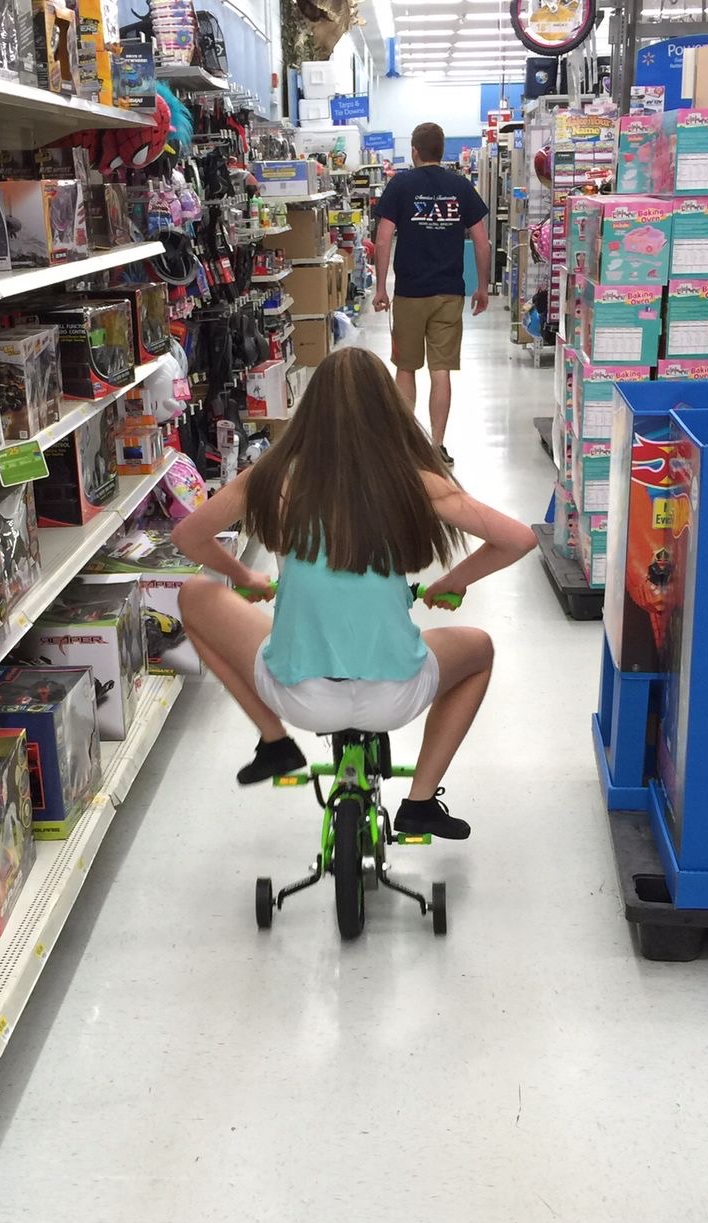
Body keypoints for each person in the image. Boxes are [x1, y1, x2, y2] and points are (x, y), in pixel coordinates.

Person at [167, 347, 537, 841]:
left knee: (195, 597)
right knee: (480, 651)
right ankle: (421, 802)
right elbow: (518, 538)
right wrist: (454, 581)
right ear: (389, 410)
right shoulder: (416, 482)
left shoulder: (275, 477)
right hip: (395, 696)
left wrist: (247, 577)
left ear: (311, 412)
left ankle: (275, 741)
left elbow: (189, 537)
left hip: (300, 697)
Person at [371, 121, 491, 468]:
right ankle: (437, 447)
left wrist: (381, 287)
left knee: (405, 369)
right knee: (441, 371)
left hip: (410, 293)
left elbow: (382, 239)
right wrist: (482, 287)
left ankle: (407, 447)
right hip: (449, 293)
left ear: (415, 151)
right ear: (442, 151)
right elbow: (482, 241)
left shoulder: (401, 185)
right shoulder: (460, 186)